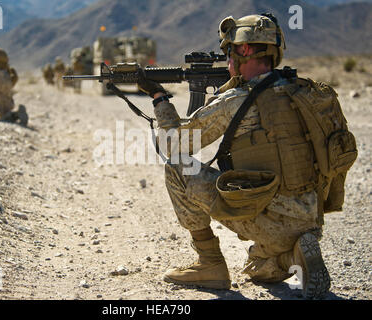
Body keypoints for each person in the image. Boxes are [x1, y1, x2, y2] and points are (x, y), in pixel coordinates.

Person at [137, 14, 335, 299]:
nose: (227, 60)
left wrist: (158, 97)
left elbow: (174, 145)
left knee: (178, 168)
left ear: (243, 51)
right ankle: (293, 252)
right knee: (258, 269)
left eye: (229, 52)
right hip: (310, 218)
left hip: (269, 219)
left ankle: (210, 263)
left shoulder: (238, 99)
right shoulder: (308, 93)